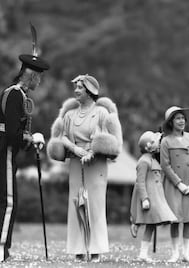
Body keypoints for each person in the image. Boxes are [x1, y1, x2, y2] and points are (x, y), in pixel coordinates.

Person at [0, 32, 50, 261]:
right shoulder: (15, 94)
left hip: (5, 151)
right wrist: (31, 139)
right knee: (7, 202)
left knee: (6, 202)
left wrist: (26, 139)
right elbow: (11, 133)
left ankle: (0, 251)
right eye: (39, 77)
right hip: (3, 152)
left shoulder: (18, 95)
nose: (40, 82)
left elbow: (15, 131)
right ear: (31, 76)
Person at [46, 74, 123, 262]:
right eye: (76, 87)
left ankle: (95, 250)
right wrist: (75, 149)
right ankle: (78, 249)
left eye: (80, 87)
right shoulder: (70, 114)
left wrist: (91, 153)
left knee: (94, 205)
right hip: (75, 161)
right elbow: (63, 136)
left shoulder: (101, 113)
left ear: (90, 92)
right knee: (75, 203)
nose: (76, 90)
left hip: (95, 163)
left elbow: (101, 136)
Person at [160, 106, 189, 263]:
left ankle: (186, 253)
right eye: (177, 118)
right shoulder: (166, 141)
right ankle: (175, 253)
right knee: (175, 219)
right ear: (171, 122)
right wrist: (179, 184)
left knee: (188, 219)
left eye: (182, 118)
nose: (181, 121)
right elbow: (165, 166)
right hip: (174, 185)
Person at [130, 131, 177, 262]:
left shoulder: (153, 160)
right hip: (149, 196)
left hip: (156, 196)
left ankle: (143, 253)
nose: (159, 145)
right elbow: (140, 182)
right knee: (150, 222)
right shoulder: (144, 162)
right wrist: (144, 198)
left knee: (152, 224)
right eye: (156, 143)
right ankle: (135, 223)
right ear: (147, 146)